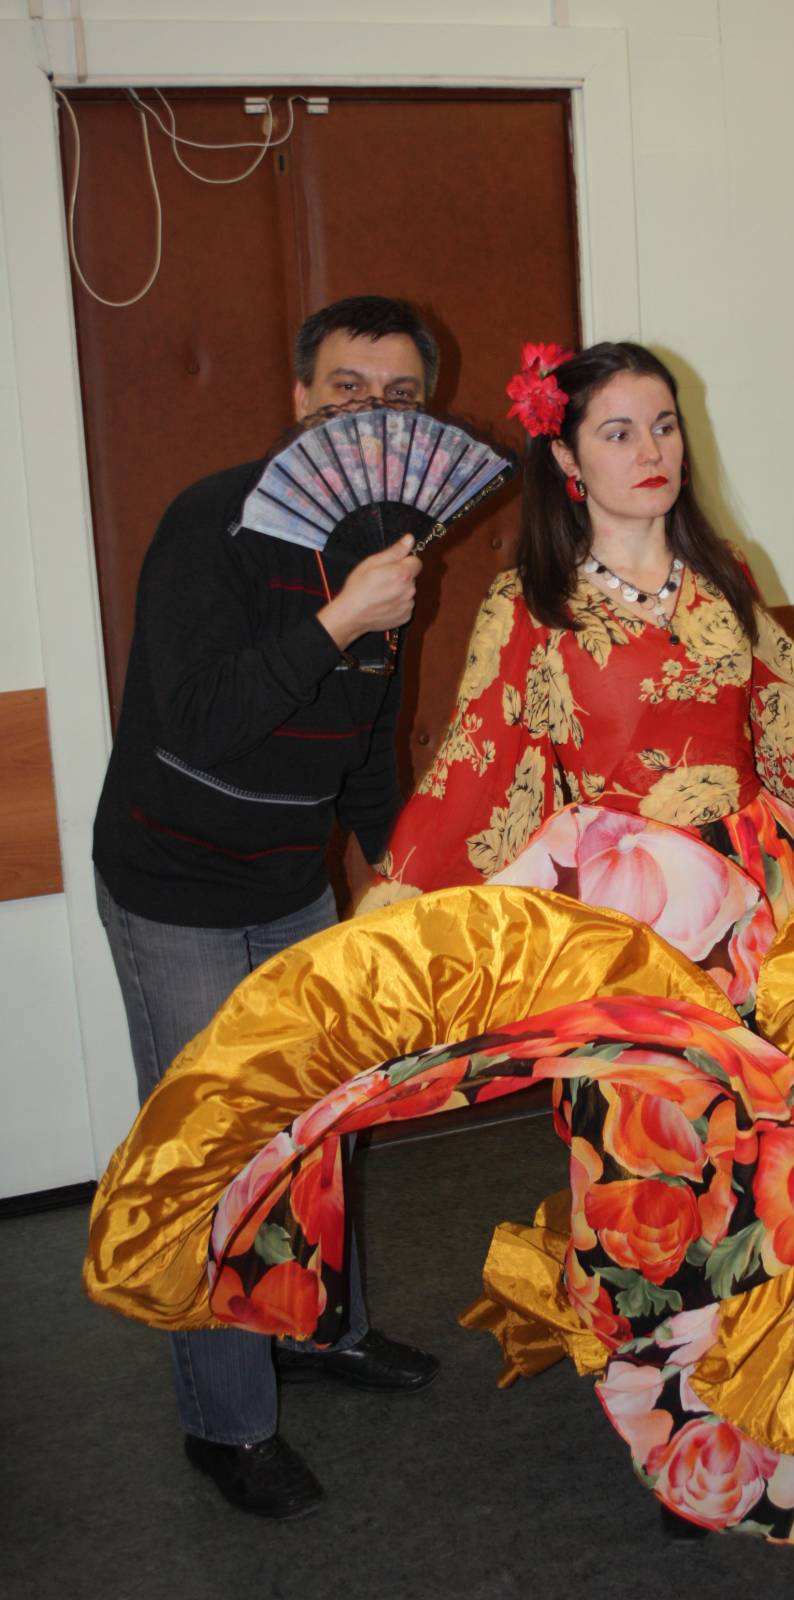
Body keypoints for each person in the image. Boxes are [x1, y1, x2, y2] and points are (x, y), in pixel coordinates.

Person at [86, 341, 794, 1544]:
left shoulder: (726, 580)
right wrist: (391, 924)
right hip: (619, 950)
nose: (651, 451)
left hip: (750, 934)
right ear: (565, 456)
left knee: (764, 1188)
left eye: (665, 425)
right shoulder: (530, 607)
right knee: (645, 1193)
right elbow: (472, 775)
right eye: (618, 430)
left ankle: (771, 1440)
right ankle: (686, 1454)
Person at [91, 294, 443, 1521]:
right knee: (215, 1152)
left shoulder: (395, 542)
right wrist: (341, 617)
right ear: (300, 397)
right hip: (175, 886)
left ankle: (321, 1331)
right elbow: (199, 719)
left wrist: (398, 869)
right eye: (347, 387)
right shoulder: (215, 523)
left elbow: (365, 743)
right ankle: (227, 1425)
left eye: (399, 396)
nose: (371, 413)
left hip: (291, 879)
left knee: (318, 1127)